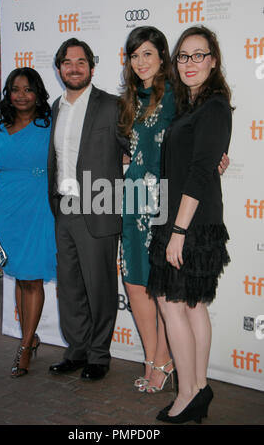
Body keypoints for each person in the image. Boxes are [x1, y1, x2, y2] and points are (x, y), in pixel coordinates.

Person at [147, 25, 233, 423]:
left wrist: (178, 232)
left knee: (174, 304)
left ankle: (188, 393)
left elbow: (199, 173)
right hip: (183, 217)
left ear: (213, 61)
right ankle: (198, 386)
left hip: (189, 223)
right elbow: (197, 161)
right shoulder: (192, 106)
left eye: (199, 55)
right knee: (193, 306)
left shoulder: (213, 106)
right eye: (183, 55)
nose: (190, 63)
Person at [48, 38, 129, 381]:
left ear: (92, 68)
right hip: (63, 208)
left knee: (99, 287)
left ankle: (99, 355)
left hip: (98, 207)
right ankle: (77, 350)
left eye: (81, 62)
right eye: (67, 62)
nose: (74, 68)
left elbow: (137, 148)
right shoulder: (56, 108)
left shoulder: (112, 105)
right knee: (70, 286)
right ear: (59, 68)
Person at [0, 67, 56, 378]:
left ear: (38, 93)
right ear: (7, 93)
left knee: (32, 278)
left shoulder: (49, 125)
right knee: (20, 277)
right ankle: (29, 336)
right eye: (15, 89)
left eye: (28, 89)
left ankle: (24, 347)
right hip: (9, 213)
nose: (21, 95)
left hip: (41, 211)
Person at [119, 26, 177, 392]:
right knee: (135, 282)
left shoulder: (176, 97)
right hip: (132, 197)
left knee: (163, 288)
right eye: (134, 55)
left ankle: (164, 362)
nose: (140, 62)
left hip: (163, 200)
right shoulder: (129, 100)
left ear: (161, 57)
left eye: (147, 54)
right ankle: (152, 358)